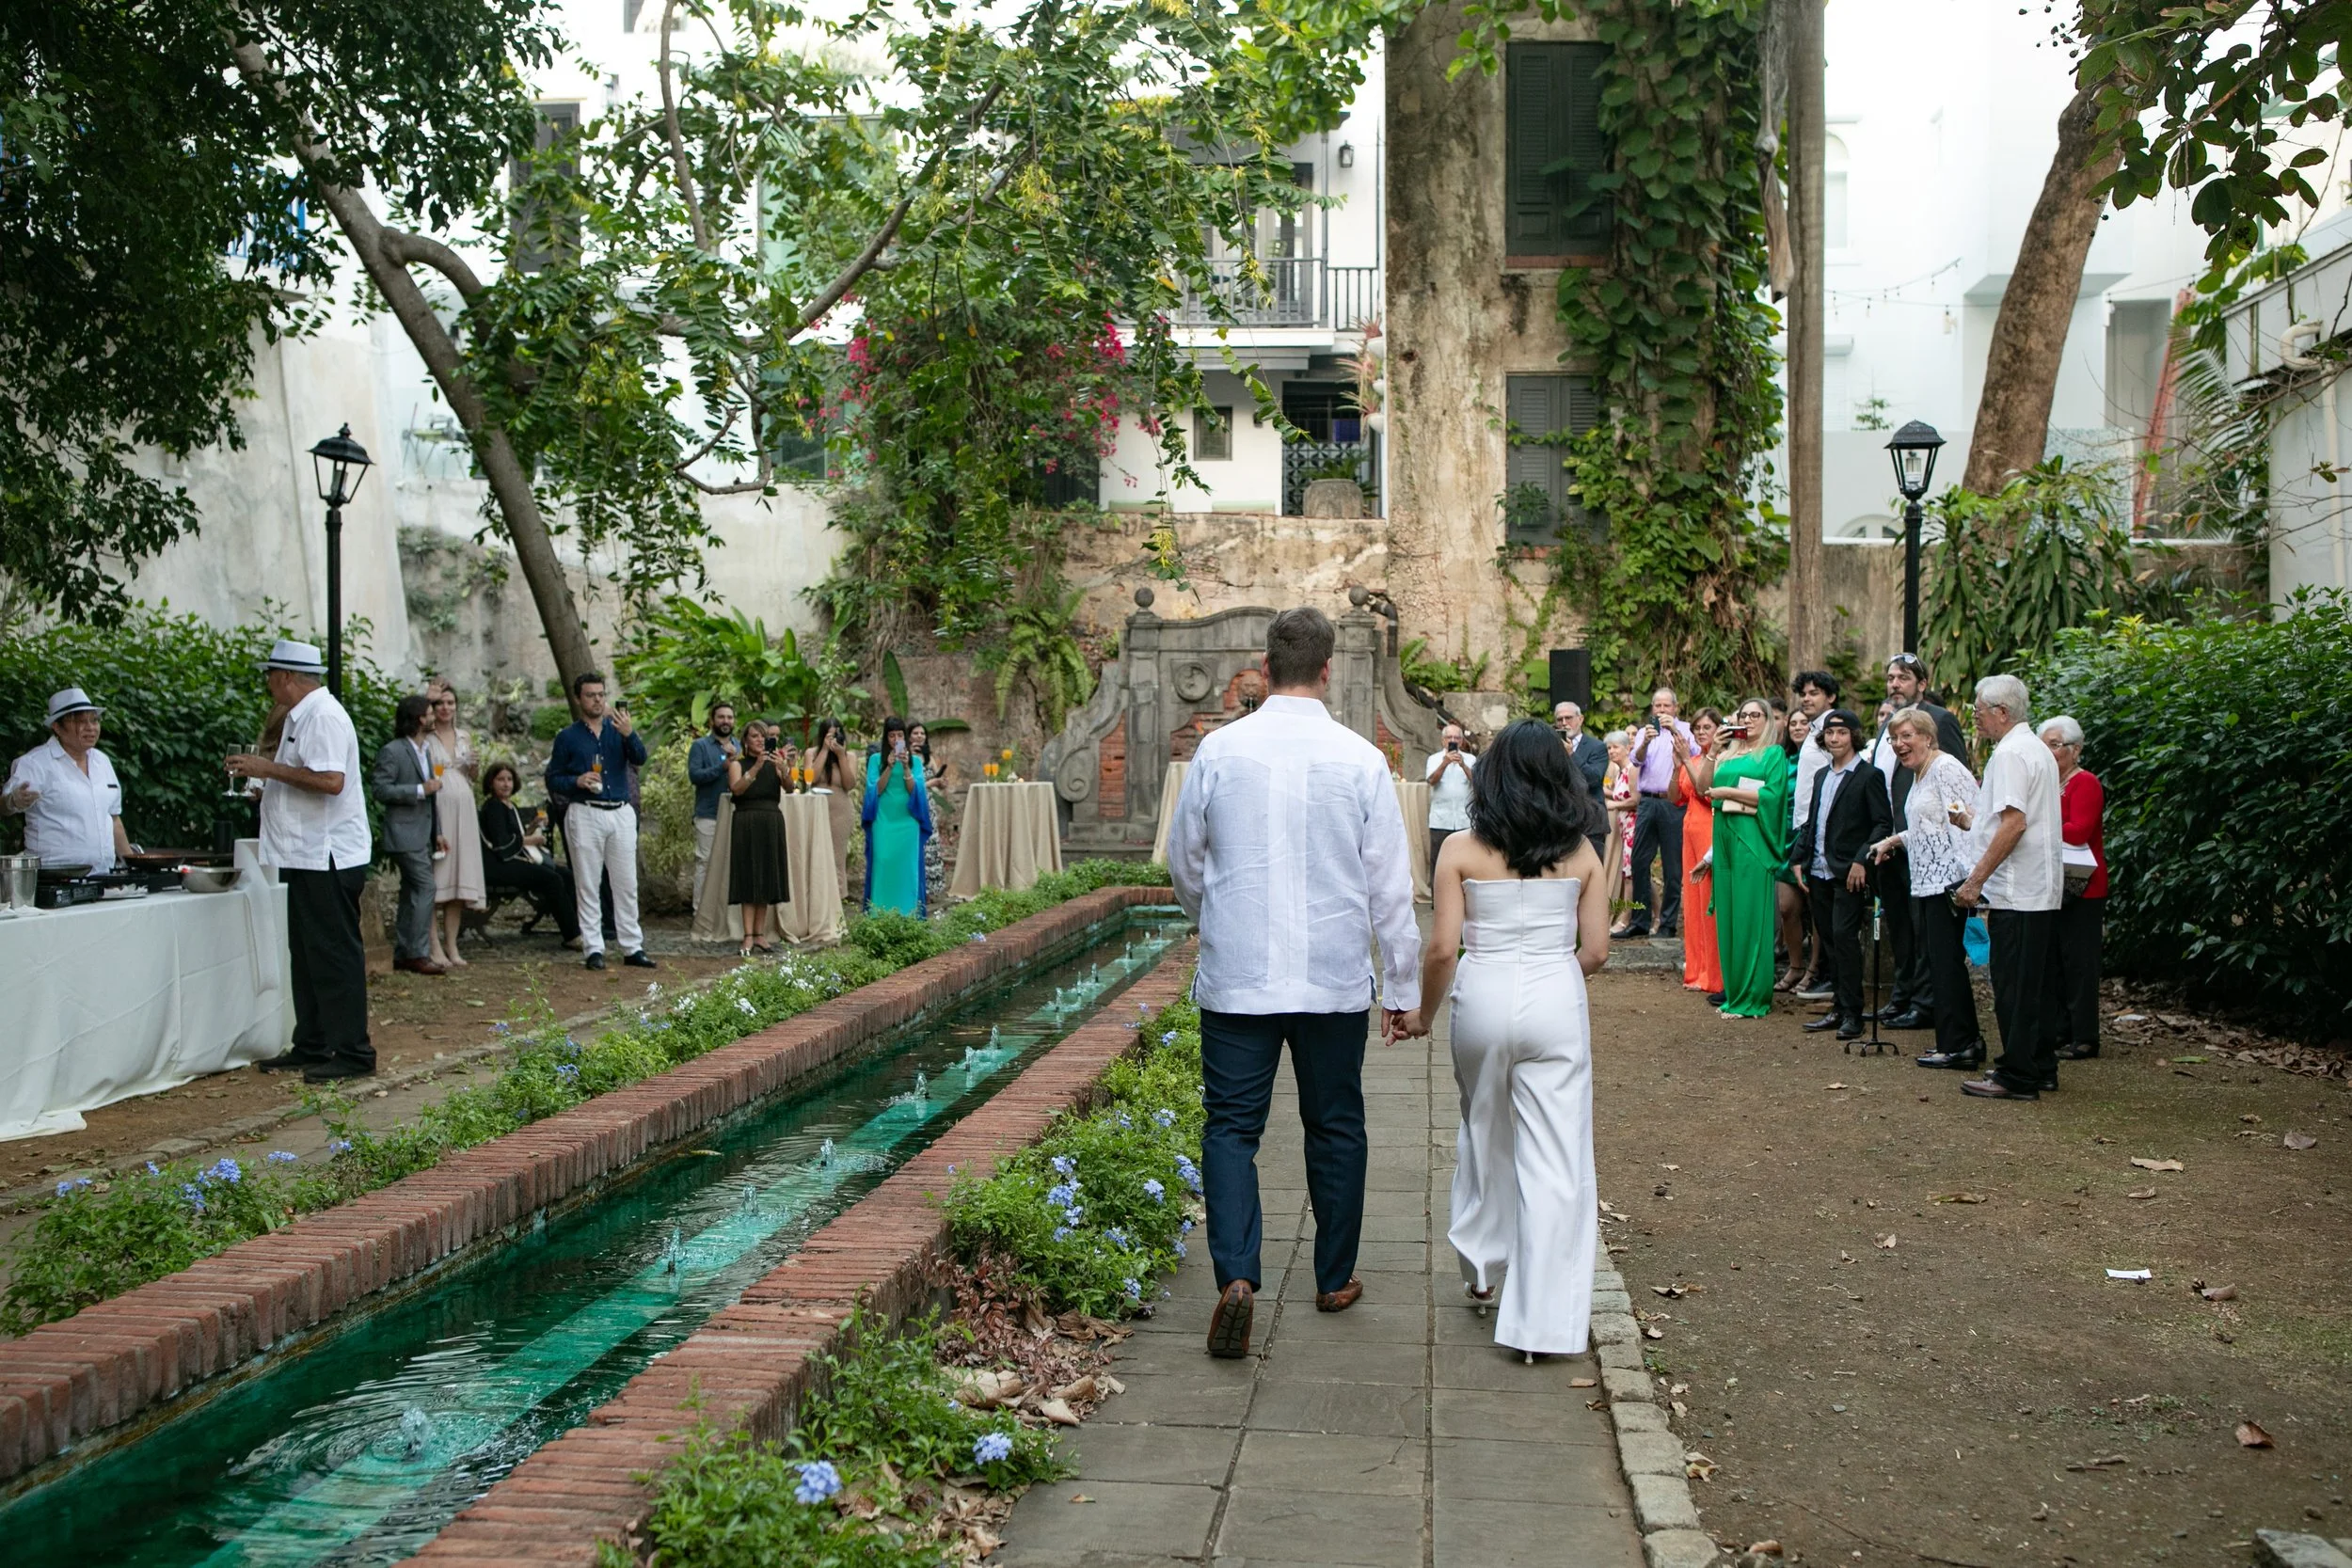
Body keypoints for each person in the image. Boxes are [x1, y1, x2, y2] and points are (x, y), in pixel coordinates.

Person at [1166, 606, 1420, 1357]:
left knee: (1231, 1128)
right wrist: (1402, 985)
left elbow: (1185, 861)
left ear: (1265, 668)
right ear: (1328, 671)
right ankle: (1334, 1275)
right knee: (1336, 1124)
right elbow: (1390, 887)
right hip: (1332, 977)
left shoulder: (1219, 751)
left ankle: (1237, 1275)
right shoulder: (1360, 758)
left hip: (1239, 977)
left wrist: (1217, 917)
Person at [1402, 719, 1610, 1361]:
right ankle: (1539, 1325)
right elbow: (1597, 951)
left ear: (1489, 776)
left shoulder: (1460, 849)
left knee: (1483, 1129)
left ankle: (1483, 1264)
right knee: (1556, 1161)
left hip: (1482, 994)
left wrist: (1421, 1015)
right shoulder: (1581, 853)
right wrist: (1549, 978)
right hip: (1555, 996)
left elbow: (1441, 949)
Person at [226, 641, 374, 1081]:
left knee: (334, 955)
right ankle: (313, 1043)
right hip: (306, 853)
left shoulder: (323, 716)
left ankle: (353, 1052)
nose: (268, 682)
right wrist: (267, 789)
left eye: (270, 674)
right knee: (308, 955)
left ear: (287, 677)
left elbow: (330, 781)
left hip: (327, 855)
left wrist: (265, 769)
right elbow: (307, 778)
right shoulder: (303, 715)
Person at [1953, 674, 2065, 1101]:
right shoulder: (2035, 748)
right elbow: (2011, 819)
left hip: (2018, 891)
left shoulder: (2011, 753)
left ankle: (2017, 1074)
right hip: (2038, 889)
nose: (1976, 717)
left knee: (2015, 985)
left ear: (2001, 712)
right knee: (2033, 983)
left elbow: (2014, 823)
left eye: (1979, 710)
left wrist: (1975, 879)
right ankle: (2040, 1065)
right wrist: (1972, 823)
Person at [1868, 707, 1986, 1070]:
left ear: (1928, 736)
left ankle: (1961, 1045)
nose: (1899, 745)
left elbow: (1965, 824)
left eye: (1907, 736)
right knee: (1940, 964)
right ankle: (1957, 1041)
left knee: (1947, 965)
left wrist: (1971, 883)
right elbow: (1929, 825)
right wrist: (1893, 841)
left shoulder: (1945, 769)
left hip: (1949, 884)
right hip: (1929, 883)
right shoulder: (1921, 773)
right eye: (1894, 738)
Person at [1863, 655, 1972, 1029]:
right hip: (1894, 841)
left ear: (1922, 684)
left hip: (1932, 851)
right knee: (1900, 925)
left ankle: (1927, 1003)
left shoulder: (1940, 722)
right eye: (1890, 677)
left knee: (1929, 929)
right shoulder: (1887, 727)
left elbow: (1954, 795)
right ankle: (1903, 995)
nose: (1894, 684)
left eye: (1903, 678)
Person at [1791, 709, 1892, 1041]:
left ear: (1853, 736)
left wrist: (1862, 860)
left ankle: (1853, 1013)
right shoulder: (1821, 775)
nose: (1835, 738)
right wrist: (1798, 858)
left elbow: (1882, 823)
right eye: (1830, 733)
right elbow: (1812, 821)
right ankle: (1838, 1006)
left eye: (1842, 733)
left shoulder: (1868, 775)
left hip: (1848, 872)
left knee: (1845, 939)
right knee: (1831, 941)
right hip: (1818, 869)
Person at [546, 671, 655, 972]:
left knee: (626, 882)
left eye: (601, 694)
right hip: (585, 811)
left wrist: (629, 732)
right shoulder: (567, 737)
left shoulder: (618, 729)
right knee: (588, 882)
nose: (597, 700)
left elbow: (641, 758)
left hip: (619, 809)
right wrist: (577, 780)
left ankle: (632, 947)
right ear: (579, 699)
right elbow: (553, 778)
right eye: (591, 695)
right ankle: (594, 948)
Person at [1707, 699, 1790, 1018]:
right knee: (1728, 916)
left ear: (1768, 720)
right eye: (1744, 714)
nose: (1749, 720)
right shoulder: (1729, 753)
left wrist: (1727, 793)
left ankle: (1752, 997)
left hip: (1752, 839)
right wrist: (1714, 750)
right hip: (1724, 835)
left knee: (1750, 917)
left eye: (1756, 715)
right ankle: (1734, 992)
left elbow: (1772, 795)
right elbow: (1704, 786)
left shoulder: (1772, 754)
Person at [3, 688, 134, 872]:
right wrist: (13, 800)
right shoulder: (36, 763)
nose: (91, 727)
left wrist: (132, 863)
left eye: (94, 720)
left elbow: (113, 818)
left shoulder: (102, 761)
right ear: (57, 727)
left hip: (104, 877)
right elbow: (4, 806)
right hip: (55, 878)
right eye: (81, 721)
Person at [2040, 716, 2106, 1061]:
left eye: (2055, 745)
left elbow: (2079, 830)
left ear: (2075, 750)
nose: (2049, 752)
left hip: (2084, 885)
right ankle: (2060, 1028)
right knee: (2055, 959)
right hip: (2053, 881)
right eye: (2045, 745)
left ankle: (2085, 1035)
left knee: (2080, 961)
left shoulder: (2086, 783)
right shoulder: (2050, 784)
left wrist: (2037, 824)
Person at [370, 695, 447, 977]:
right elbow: (380, 790)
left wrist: (437, 832)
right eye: (430, 713)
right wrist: (418, 790)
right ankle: (417, 953)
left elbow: (431, 798)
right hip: (403, 833)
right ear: (418, 719)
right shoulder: (393, 751)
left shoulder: (424, 750)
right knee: (426, 887)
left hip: (422, 832)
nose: (435, 716)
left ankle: (405, 952)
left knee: (410, 892)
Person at [421, 679, 485, 969]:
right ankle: (433, 945)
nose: (446, 708)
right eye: (440, 704)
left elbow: (471, 776)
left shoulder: (464, 736)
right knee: (437, 878)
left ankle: (452, 945)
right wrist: (427, 696)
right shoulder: (425, 736)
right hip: (438, 807)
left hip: (464, 808)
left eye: (450, 703)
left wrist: (474, 766)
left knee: (458, 879)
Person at [478, 762, 579, 944]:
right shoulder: (493, 807)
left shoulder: (509, 806)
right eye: (500, 779)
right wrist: (534, 840)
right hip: (500, 864)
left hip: (512, 859)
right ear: (491, 783)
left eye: (509, 779)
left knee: (566, 874)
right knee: (552, 879)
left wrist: (533, 826)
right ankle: (572, 935)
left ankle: (581, 926)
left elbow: (517, 837)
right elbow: (502, 844)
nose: (506, 784)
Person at [1622, 687, 1695, 938]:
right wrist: (1644, 742)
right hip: (1647, 802)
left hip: (1673, 802)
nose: (1662, 710)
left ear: (1675, 708)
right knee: (1639, 861)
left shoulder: (1686, 729)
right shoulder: (1645, 731)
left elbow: (1694, 756)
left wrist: (1673, 730)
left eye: (1667, 706)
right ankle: (1639, 921)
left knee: (1672, 867)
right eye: (1658, 706)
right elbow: (1636, 760)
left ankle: (1667, 924)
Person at [1671, 708, 1725, 998]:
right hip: (1689, 832)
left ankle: (1714, 974)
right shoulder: (1691, 760)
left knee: (1708, 901)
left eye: (1707, 727)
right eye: (1697, 728)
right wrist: (1675, 765)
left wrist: (1686, 764)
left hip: (1709, 831)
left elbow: (1706, 792)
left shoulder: (1721, 760)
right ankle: (1695, 968)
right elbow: (1674, 796)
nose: (1701, 732)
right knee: (1692, 901)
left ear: (1719, 729)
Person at [727, 721, 791, 955]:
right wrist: (756, 767)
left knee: (765, 877)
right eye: (754, 736)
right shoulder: (738, 764)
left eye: (763, 736)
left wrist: (782, 769)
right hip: (746, 820)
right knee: (748, 877)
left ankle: (761, 934)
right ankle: (747, 935)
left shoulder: (775, 763)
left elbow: (791, 787)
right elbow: (737, 788)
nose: (759, 740)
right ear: (745, 740)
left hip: (771, 819)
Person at [862, 716, 932, 915]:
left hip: (907, 822)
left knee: (907, 868)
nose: (895, 739)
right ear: (886, 738)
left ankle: (907, 914)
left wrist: (906, 767)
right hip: (884, 820)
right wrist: (890, 766)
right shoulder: (876, 761)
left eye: (899, 735)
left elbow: (915, 793)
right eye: (892, 736)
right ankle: (879, 914)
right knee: (883, 862)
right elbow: (875, 791)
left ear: (905, 738)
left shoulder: (916, 762)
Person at [687, 702, 740, 912]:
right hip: (708, 813)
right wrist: (722, 767)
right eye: (721, 717)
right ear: (712, 721)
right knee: (705, 863)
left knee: (731, 864)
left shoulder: (739, 746)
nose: (726, 721)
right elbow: (695, 776)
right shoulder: (700, 746)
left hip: (736, 812)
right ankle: (700, 911)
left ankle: (725, 913)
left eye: (729, 717)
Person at [1552, 700, 1610, 859]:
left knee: (1592, 874)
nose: (1564, 723)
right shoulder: (1550, 748)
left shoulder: (1596, 747)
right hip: (1560, 820)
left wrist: (1571, 755)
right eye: (1559, 719)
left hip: (1590, 822)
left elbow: (1593, 779)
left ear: (1581, 719)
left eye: (1568, 718)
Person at [809, 717, 858, 899]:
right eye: (829, 736)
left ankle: (838, 898)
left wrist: (840, 755)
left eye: (836, 735)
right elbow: (811, 778)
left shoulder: (849, 756)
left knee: (837, 857)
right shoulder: (811, 753)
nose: (832, 739)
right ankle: (816, 898)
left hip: (840, 810)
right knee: (815, 855)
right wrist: (823, 750)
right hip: (816, 808)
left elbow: (849, 784)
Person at [1424, 721, 1477, 871]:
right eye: (1449, 737)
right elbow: (1432, 781)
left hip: (1464, 820)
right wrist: (1444, 763)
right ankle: (1437, 894)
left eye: (1456, 738)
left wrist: (1463, 766)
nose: (1453, 740)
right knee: (1439, 863)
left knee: (1467, 861)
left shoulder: (1470, 759)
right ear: (1443, 740)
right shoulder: (1434, 759)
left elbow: (1477, 783)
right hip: (1441, 821)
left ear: (1461, 741)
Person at [909, 721, 949, 909]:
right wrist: (932, 783)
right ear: (909, 736)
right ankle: (914, 889)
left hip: (928, 806)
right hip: (911, 805)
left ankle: (929, 891)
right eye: (915, 733)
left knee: (930, 847)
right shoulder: (906, 758)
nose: (919, 736)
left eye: (922, 733)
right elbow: (914, 784)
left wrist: (940, 782)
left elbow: (935, 780)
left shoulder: (928, 758)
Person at [1600, 731, 1636, 915]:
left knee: (1630, 874)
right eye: (1608, 748)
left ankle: (1626, 917)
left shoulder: (1632, 769)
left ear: (1628, 748)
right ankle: (1654, 914)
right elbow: (1617, 792)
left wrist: (1615, 805)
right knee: (1630, 872)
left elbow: (1636, 800)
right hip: (1624, 827)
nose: (1611, 751)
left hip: (1633, 826)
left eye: (1615, 747)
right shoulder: (1621, 771)